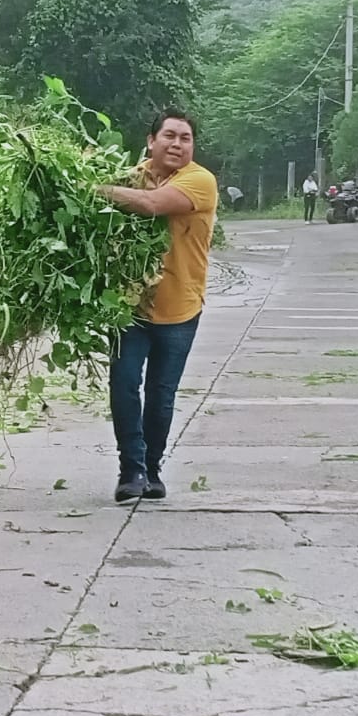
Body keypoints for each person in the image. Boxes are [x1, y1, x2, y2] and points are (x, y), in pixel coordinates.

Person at [98, 110, 217, 503]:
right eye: (169, 136)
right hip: (129, 306)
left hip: (180, 307)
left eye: (185, 138)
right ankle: (130, 470)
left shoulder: (200, 181)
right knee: (124, 386)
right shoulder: (128, 175)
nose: (177, 144)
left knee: (161, 393)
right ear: (151, 141)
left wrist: (92, 188)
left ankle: (152, 469)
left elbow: (149, 204)